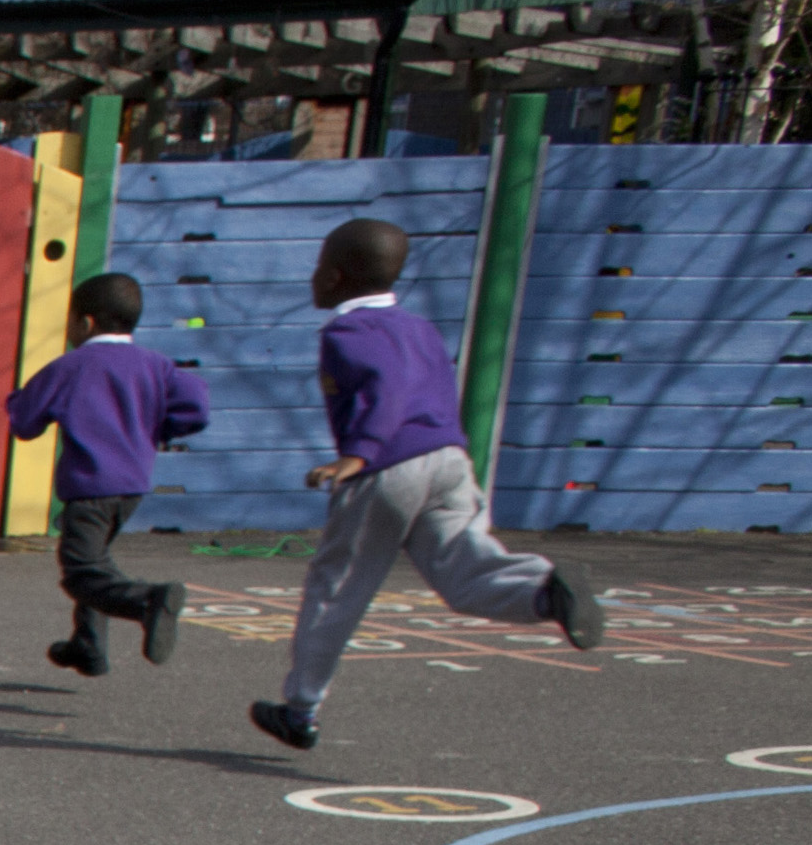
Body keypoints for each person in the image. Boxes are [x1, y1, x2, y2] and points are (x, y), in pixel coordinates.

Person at [250, 216, 600, 753]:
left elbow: (386, 388)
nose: (313, 278)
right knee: (464, 569)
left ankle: (300, 709)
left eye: (320, 267)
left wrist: (357, 455)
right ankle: (543, 591)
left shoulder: (348, 332)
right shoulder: (420, 327)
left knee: (337, 588)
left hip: (389, 467)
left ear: (336, 277)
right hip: (449, 460)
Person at [1, 273, 200, 677]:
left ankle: (147, 601)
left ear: (86, 322)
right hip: (133, 487)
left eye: (71, 320)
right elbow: (196, 405)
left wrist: (19, 401)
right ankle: (87, 645)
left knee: (81, 572)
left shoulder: (72, 367)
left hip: (90, 485)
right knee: (98, 561)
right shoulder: (157, 366)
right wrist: (159, 427)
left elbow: (24, 422)